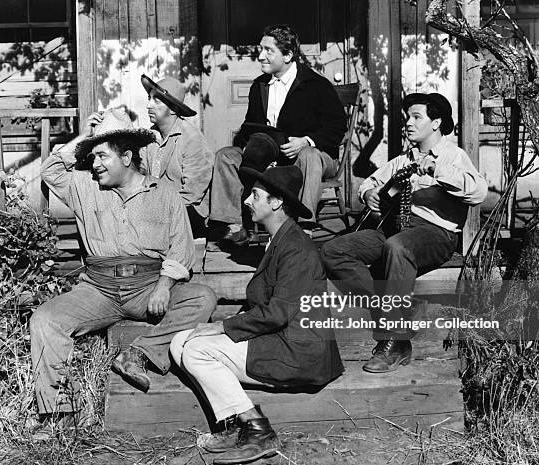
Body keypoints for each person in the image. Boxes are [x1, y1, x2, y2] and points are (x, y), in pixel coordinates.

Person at [31, 108, 217, 428]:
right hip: (97, 290)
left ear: (127, 157)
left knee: (203, 297)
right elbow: (50, 170)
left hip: (147, 288)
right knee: (45, 319)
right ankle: (56, 415)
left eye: (102, 156)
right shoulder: (85, 187)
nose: (95, 164)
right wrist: (85, 137)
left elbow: (182, 248)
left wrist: (164, 284)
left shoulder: (165, 194)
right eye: (92, 157)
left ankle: (138, 355)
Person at [171, 165, 343, 464]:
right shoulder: (279, 239)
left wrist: (223, 327)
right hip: (279, 339)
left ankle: (257, 427)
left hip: (298, 352)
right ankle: (233, 424)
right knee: (180, 342)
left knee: (197, 350)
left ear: (276, 203)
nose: (247, 201)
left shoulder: (297, 249)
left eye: (255, 195)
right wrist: (222, 329)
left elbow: (277, 312)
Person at [320, 92, 488, 373]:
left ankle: (395, 341)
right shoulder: (402, 160)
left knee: (397, 247)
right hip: (392, 229)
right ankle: (395, 309)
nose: (408, 123)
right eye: (407, 117)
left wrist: (438, 170)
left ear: (436, 123)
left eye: (416, 117)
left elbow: (479, 191)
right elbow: (371, 182)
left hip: (434, 234)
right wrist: (369, 193)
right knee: (333, 250)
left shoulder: (453, 156)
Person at [209, 24, 346, 245]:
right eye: (261, 49)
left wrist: (306, 141)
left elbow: (337, 127)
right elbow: (248, 127)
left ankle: (304, 228)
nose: (261, 56)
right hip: (272, 156)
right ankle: (234, 226)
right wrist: (249, 144)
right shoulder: (259, 86)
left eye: (268, 51)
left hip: (316, 157)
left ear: (288, 55)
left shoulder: (316, 85)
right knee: (226, 155)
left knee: (309, 155)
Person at [140, 75, 214, 238]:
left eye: (156, 101)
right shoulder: (150, 137)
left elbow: (192, 192)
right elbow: (140, 175)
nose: (148, 106)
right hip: (156, 208)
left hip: (187, 212)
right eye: (149, 99)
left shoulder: (191, 138)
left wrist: (159, 211)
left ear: (173, 109)